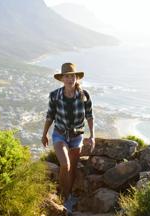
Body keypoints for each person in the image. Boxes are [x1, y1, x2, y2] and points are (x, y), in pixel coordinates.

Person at [41, 62, 95, 214]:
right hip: (59, 134)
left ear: (76, 78)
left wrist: (92, 135)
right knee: (65, 164)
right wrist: (44, 134)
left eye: (72, 76)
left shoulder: (84, 95)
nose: (70, 79)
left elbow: (90, 116)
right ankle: (63, 197)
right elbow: (50, 116)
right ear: (62, 79)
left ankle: (68, 198)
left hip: (77, 136)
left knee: (72, 169)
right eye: (67, 76)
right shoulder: (55, 95)